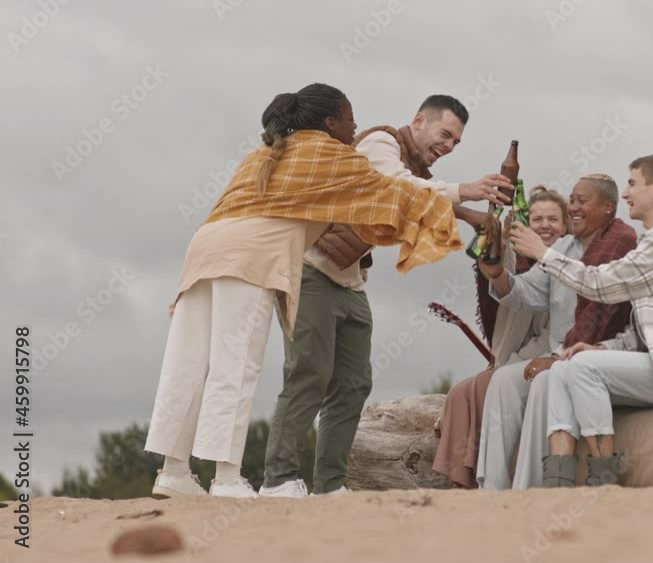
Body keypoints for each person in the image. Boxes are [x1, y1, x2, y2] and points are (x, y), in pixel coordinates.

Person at [144, 83, 462, 499]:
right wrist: (464, 193)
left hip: (204, 249)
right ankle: (225, 478)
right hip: (250, 257)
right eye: (350, 118)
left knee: (189, 364)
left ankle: (174, 473)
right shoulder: (328, 153)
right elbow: (391, 190)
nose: (356, 127)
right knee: (235, 366)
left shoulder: (265, 152)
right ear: (330, 123)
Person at [259, 95, 515, 498]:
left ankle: (329, 485)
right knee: (308, 374)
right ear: (418, 121)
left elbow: (421, 192)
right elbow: (396, 185)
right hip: (309, 271)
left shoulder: (418, 168)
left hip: (350, 281)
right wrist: (467, 191)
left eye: (456, 143)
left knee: (354, 384)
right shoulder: (380, 142)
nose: (448, 146)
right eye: (445, 134)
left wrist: (473, 216)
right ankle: (277, 480)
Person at [507, 154, 653, 488]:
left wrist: (543, 253)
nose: (625, 194)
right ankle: (558, 482)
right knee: (567, 364)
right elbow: (642, 331)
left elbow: (601, 284)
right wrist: (599, 346)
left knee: (583, 367)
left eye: (633, 183)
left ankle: (602, 479)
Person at [475, 174, 638, 489]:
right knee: (503, 381)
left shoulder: (623, 242)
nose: (573, 208)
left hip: (595, 356)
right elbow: (528, 293)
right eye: (572, 200)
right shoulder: (564, 245)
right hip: (558, 355)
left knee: (543, 382)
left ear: (608, 208)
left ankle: (530, 487)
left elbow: (601, 308)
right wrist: (496, 275)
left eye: (582, 201)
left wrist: (559, 360)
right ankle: (491, 488)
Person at [432, 187, 569, 488]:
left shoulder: (568, 263)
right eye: (537, 219)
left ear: (565, 226)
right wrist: (488, 224)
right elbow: (497, 273)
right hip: (509, 358)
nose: (545, 225)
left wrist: (512, 362)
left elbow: (558, 333)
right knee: (460, 392)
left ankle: (494, 477)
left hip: (544, 357)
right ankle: (463, 478)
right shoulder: (514, 256)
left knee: (488, 384)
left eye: (553, 219)